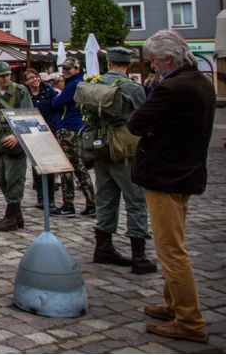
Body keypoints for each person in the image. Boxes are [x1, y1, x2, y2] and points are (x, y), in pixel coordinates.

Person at [128, 30, 214, 344]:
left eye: (153, 59)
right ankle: (172, 304)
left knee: (171, 251)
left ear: (168, 58)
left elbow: (136, 123)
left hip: (166, 175)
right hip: (186, 172)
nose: (151, 65)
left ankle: (190, 321)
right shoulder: (200, 82)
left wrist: (153, 131)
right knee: (173, 244)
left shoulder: (173, 88)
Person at [83, 47, 156, 274]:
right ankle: (139, 256)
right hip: (125, 149)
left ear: (109, 63)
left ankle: (103, 247)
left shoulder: (94, 85)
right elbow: (144, 117)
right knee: (136, 199)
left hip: (99, 147)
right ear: (129, 65)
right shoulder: (132, 88)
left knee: (105, 197)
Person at [0, 62, 32, 231]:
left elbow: (28, 115)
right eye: (2, 76)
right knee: (2, 180)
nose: (6, 78)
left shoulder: (20, 91)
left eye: (8, 75)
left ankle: (10, 217)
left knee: (14, 178)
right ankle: (17, 216)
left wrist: (16, 135)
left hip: (15, 141)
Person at [50, 58, 95, 217]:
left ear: (77, 69)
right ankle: (91, 203)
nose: (65, 71)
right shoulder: (80, 82)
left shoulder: (73, 85)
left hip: (68, 128)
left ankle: (68, 205)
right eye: (64, 68)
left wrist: (58, 98)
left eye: (69, 68)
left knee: (67, 167)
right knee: (79, 165)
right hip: (77, 127)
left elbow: (56, 103)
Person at [24, 68, 57, 209]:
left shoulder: (49, 91)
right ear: (26, 81)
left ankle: (50, 196)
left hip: (49, 131)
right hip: (33, 133)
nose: (35, 79)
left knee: (49, 165)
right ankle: (40, 196)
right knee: (37, 166)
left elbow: (56, 109)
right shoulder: (25, 94)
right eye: (31, 78)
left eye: (36, 76)